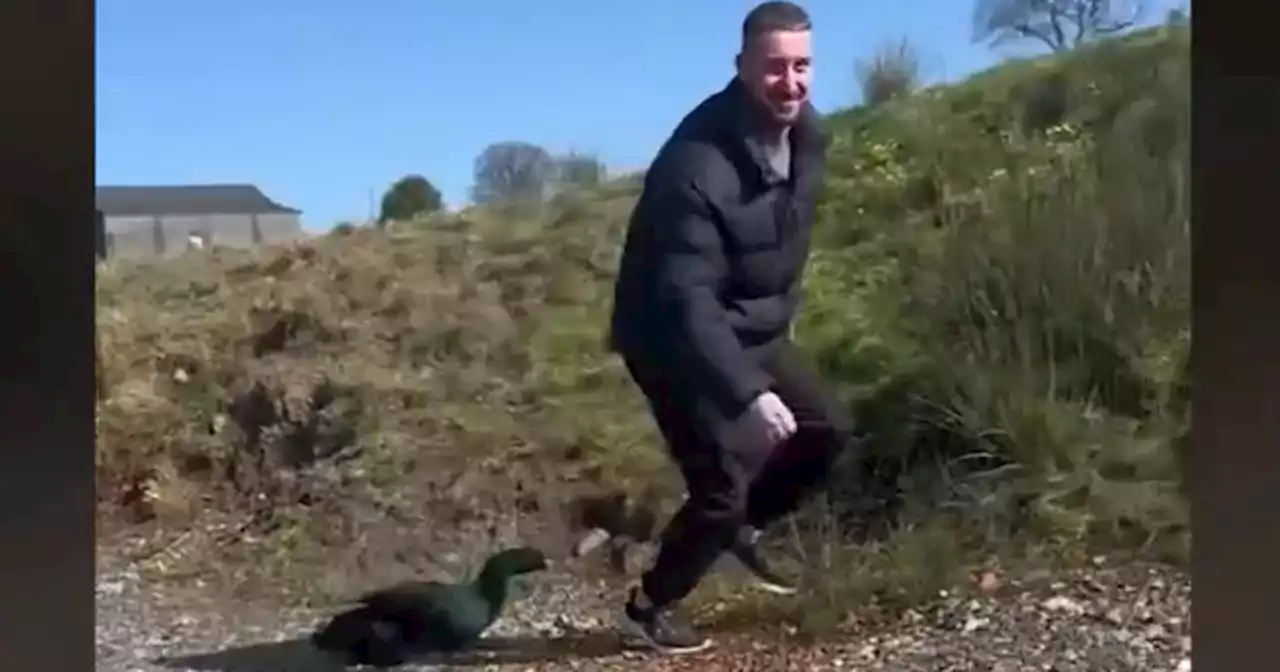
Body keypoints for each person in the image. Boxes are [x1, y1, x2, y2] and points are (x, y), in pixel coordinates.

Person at [608, 0, 858, 655]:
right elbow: (683, 299)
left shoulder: (809, 136)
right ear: (742, 67)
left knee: (826, 432)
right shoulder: (694, 169)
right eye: (775, 67)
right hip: (669, 337)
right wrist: (746, 391)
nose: (792, 82)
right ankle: (648, 605)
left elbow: (779, 239)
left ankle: (738, 532)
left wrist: (776, 329)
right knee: (721, 486)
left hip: (751, 324)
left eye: (803, 66)